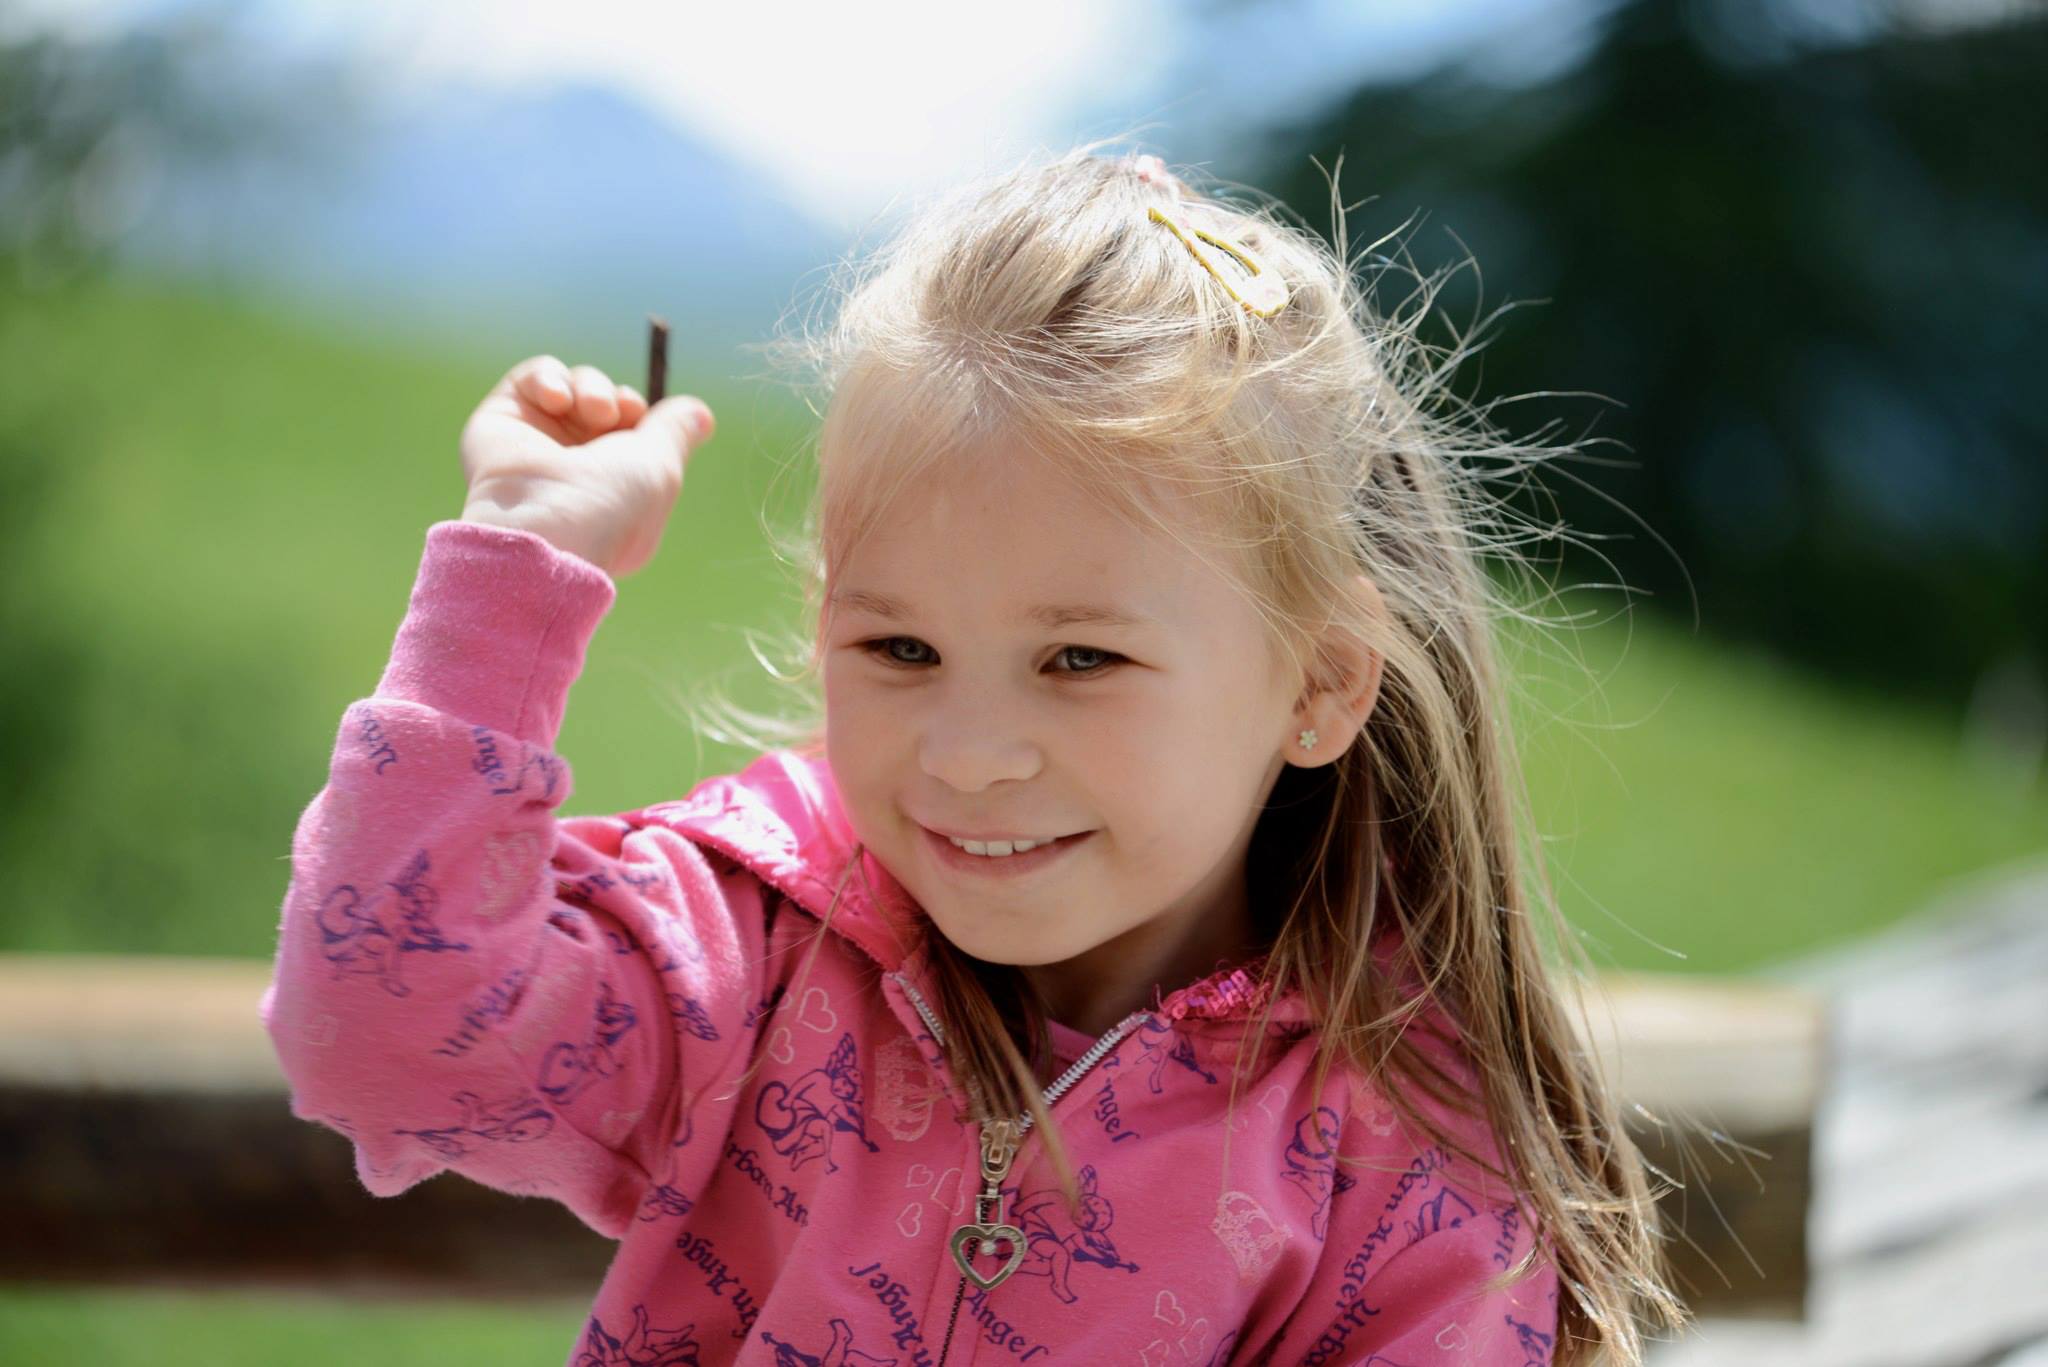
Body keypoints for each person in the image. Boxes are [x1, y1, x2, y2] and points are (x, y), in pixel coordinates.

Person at [262, 142, 1689, 1365]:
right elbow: (381, 1037)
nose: (972, 754)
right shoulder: (747, 953)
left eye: (1081, 660)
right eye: (899, 652)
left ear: (1318, 682)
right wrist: (514, 567)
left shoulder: (1407, 1167)